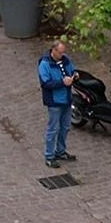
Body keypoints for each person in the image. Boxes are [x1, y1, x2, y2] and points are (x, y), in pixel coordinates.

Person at [38, 40, 77, 168]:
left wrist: (75, 75)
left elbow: (72, 70)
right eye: (60, 52)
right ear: (53, 50)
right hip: (54, 102)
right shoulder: (45, 64)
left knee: (65, 127)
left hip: (66, 99)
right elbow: (45, 83)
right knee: (53, 129)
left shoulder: (65, 60)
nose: (62, 54)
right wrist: (62, 82)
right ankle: (49, 156)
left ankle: (60, 151)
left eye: (63, 52)